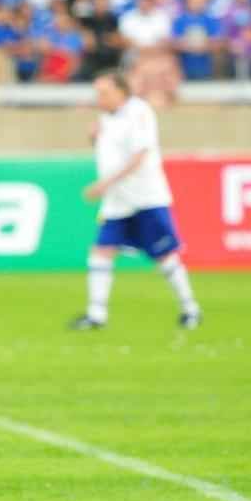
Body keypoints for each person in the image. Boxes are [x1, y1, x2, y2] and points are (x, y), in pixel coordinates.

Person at [71, 70, 201, 331]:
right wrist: (94, 138)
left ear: (121, 92)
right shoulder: (106, 118)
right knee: (101, 251)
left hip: (145, 198)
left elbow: (140, 155)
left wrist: (105, 184)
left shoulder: (138, 112)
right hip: (117, 201)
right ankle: (96, 315)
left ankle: (190, 309)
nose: (99, 98)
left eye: (104, 93)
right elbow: (111, 152)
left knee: (164, 255)